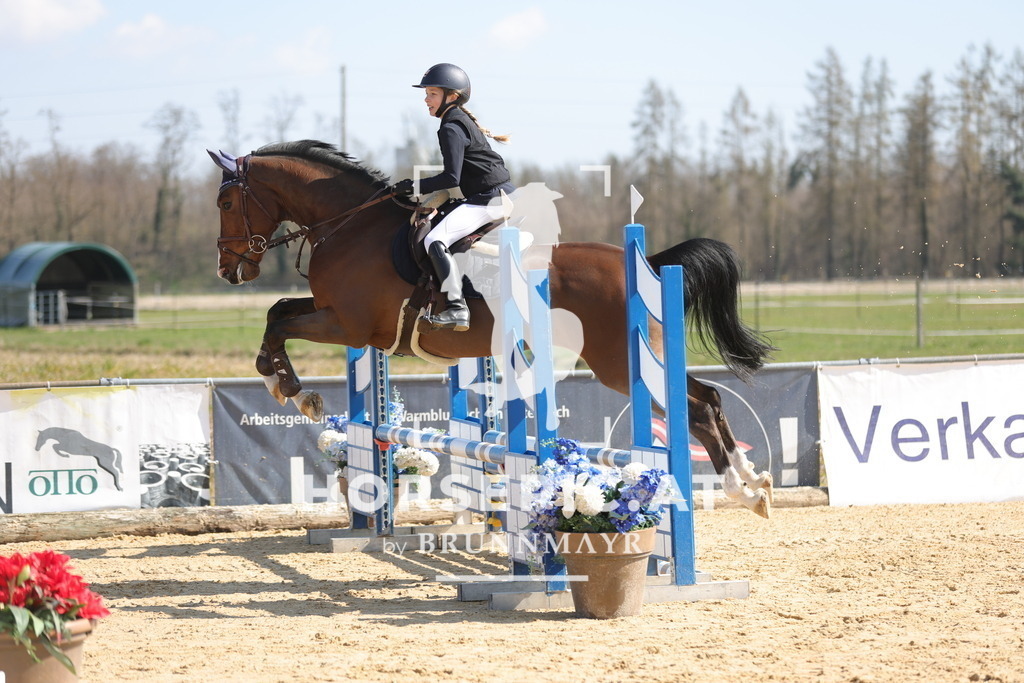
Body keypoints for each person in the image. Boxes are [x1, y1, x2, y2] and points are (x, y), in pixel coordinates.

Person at [391, 63, 515, 332]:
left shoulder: (451, 127)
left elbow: (451, 178)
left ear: (452, 96)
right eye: (427, 94)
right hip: (491, 195)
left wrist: (413, 186)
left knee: (435, 239)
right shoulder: (456, 119)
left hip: (489, 199)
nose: (426, 99)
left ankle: (458, 308)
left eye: (432, 94)